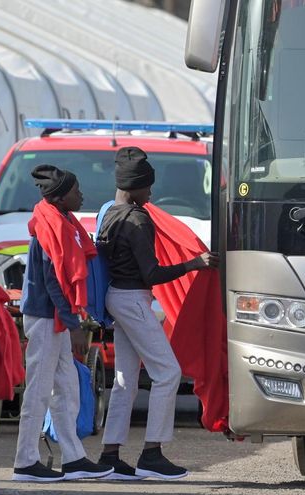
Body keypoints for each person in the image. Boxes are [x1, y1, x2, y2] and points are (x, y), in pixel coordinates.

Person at [95, 147, 218, 480]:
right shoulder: (137, 219)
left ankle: (110, 456)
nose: (151, 193)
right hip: (133, 299)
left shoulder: (110, 214)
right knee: (168, 372)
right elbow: (151, 275)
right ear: (135, 186)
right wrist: (193, 264)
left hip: (116, 298)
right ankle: (152, 453)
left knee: (124, 380)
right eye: (148, 186)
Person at [12, 165, 114, 483]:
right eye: (75, 190)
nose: (81, 194)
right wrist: (72, 325)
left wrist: (72, 320)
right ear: (59, 196)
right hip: (45, 318)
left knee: (67, 388)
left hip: (55, 317)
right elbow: (55, 282)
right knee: (39, 391)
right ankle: (25, 462)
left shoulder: (62, 222)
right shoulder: (48, 228)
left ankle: (74, 459)